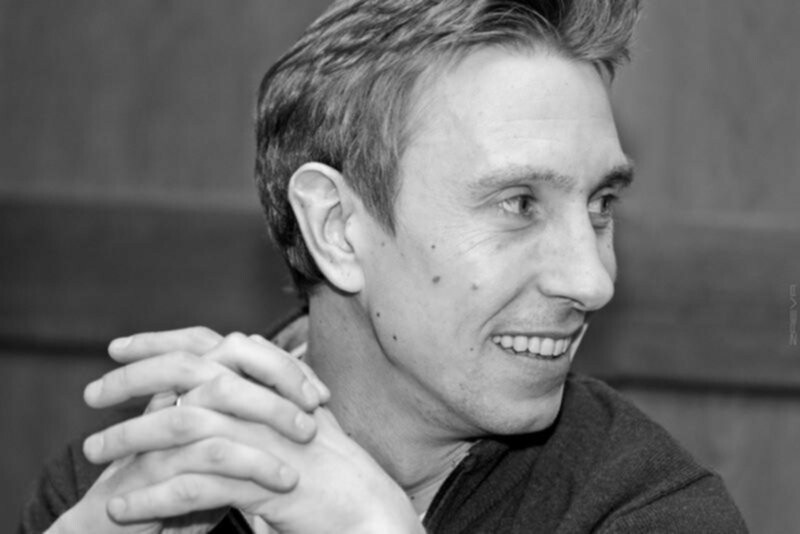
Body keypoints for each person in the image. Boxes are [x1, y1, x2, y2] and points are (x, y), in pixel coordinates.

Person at [21, 0, 748, 532]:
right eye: (519, 204)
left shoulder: (647, 511)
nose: (592, 280)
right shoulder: (129, 482)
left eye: (601, 203)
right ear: (337, 229)